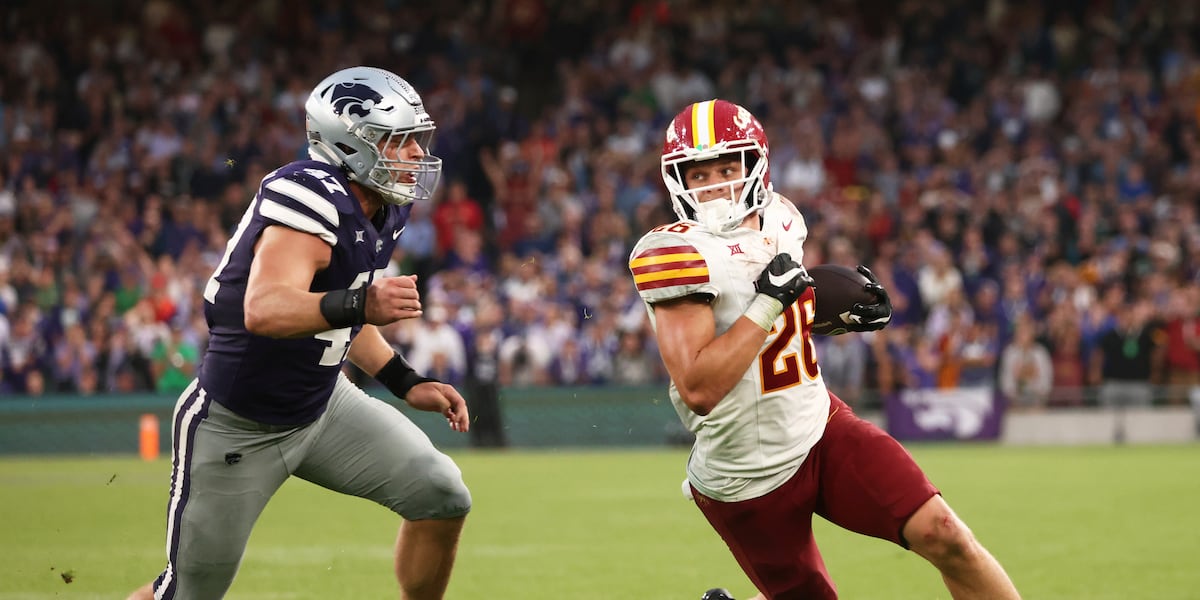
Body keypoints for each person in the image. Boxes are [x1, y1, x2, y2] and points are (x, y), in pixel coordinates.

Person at [628, 99, 1021, 600]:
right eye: (701, 174)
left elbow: (782, 314)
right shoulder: (673, 253)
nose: (718, 185)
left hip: (820, 426)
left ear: (755, 166)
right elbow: (700, 386)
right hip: (747, 473)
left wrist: (828, 313)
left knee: (945, 535)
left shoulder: (781, 219)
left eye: (729, 168)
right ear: (678, 179)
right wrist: (772, 304)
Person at [128, 66, 472, 600]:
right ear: (350, 143)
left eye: (413, 141)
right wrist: (365, 302)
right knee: (188, 595)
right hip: (238, 425)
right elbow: (264, 310)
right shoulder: (308, 194)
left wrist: (405, 381)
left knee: (442, 494)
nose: (412, 156)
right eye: (398, 142)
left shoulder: (382, 207)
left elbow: (331, 311)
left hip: (323, 406)